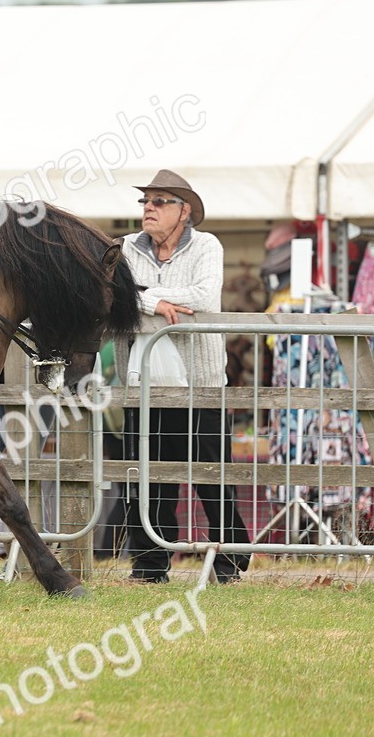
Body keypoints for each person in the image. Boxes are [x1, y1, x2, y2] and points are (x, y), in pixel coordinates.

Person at [120, 169, 250, 583]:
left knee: (212, 480)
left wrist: (145, 298)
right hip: (144, 386)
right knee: (147, 484)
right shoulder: (125, 247)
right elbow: (113, 294)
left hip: (202, 385)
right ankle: (149, 567)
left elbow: (205, 296)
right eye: (146, 201)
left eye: (160, 201)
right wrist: (156, 305)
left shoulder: (207, 245)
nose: (149, 208)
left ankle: (228, 564)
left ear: (184, 211)